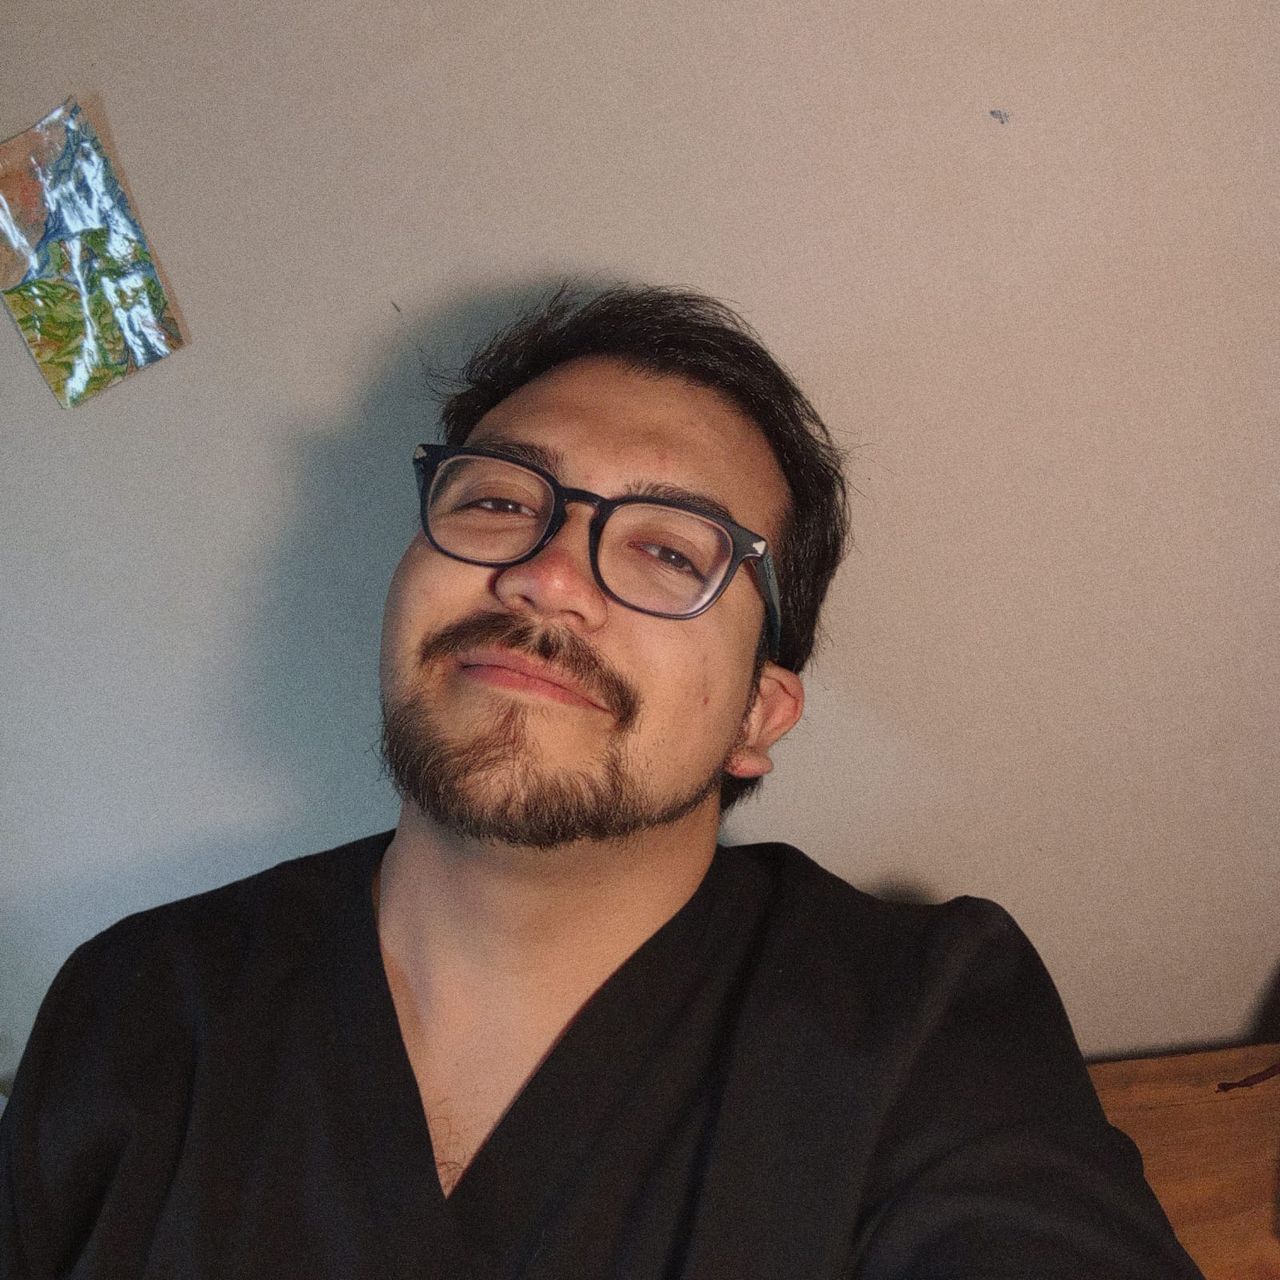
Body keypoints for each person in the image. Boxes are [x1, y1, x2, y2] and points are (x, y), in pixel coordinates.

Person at [0, 286, 1203, 1278]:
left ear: (756, 715)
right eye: (496, 500)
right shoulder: (137, 996)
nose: (548, 576)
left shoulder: (920, 1023)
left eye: (669, 549)